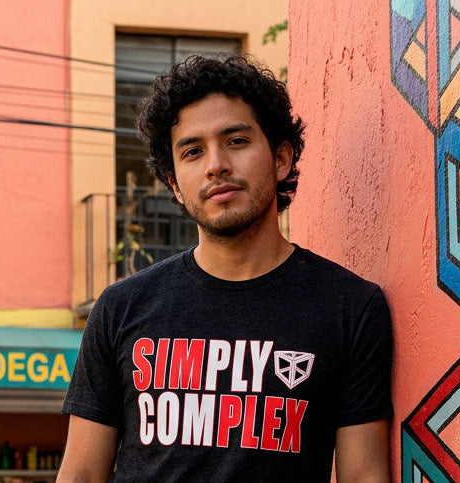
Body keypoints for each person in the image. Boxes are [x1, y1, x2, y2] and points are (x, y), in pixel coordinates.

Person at [58, 55, 393, 482]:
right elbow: (81, 474)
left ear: (281, 159)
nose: (216, 164)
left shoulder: (350, 308)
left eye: (236, 141)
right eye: (193, 151)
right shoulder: (121, 308)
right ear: (176, 185)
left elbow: (364, 475)